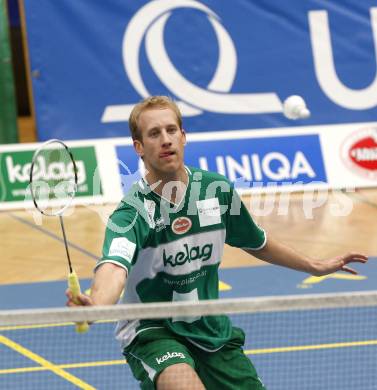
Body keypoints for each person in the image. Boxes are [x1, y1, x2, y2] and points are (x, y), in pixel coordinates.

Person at [66, 96, 368, 390]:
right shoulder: (132, 212)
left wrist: (314, 266)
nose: (166, 139)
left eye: (171, 130)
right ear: (139, 147)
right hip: (153, 332)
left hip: (210, 330)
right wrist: (96, 304)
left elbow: (256, 241)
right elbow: (114, 267)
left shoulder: (215, 190)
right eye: (154, 133)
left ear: (184, 137)